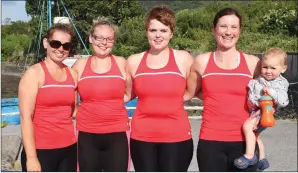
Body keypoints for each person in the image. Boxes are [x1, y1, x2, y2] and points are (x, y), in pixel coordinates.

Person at [185, 8, 262, 171]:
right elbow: (190, 92)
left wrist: (263, 115)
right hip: (211, 142)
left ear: (239, 30)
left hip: (244, 143)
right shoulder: (202, 61)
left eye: (234, 27)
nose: (228, 32)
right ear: (214, 29)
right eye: (223, 26)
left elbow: (269, 94)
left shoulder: (253, 63)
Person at [126, 5, 194, 172]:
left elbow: (193, 91)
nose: (158, 35)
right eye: (153, 30)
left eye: (163, 30)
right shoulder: (133, 61)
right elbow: (127, 95)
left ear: (171, 33)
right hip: (142, 137)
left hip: (176, 137)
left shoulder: (183, 58)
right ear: (146, 32)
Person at [71, 17, 130, 172]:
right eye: (99, 38)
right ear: (91, 38)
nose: (104, 43)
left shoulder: (122, 62)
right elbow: (70, 100)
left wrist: (113, 104)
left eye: (109, 39)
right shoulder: (79, 66)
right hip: (86, 133)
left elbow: (132, 92)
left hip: (118, 132)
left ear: (114, 41)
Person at [19, 23, 77, 172]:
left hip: (69, 148)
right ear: (46, 43)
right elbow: (26, 118)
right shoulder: (33, 74)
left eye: (66, 46)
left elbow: (74, 111)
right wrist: (31, 158)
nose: (60, 49)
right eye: (55, 43)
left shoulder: (72, 74)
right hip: (41, 150)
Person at [234, 48, 289, 170]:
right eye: (265, 67)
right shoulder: (261, 79)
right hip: (254, 111)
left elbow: (284, 101)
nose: (268, 71)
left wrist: (272, 92)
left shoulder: (280, 83)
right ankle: (262, 159)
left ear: (283, 69)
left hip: (265, 112)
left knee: (247, 127)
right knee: (255, 136)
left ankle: (249, 156)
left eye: (273, 68)